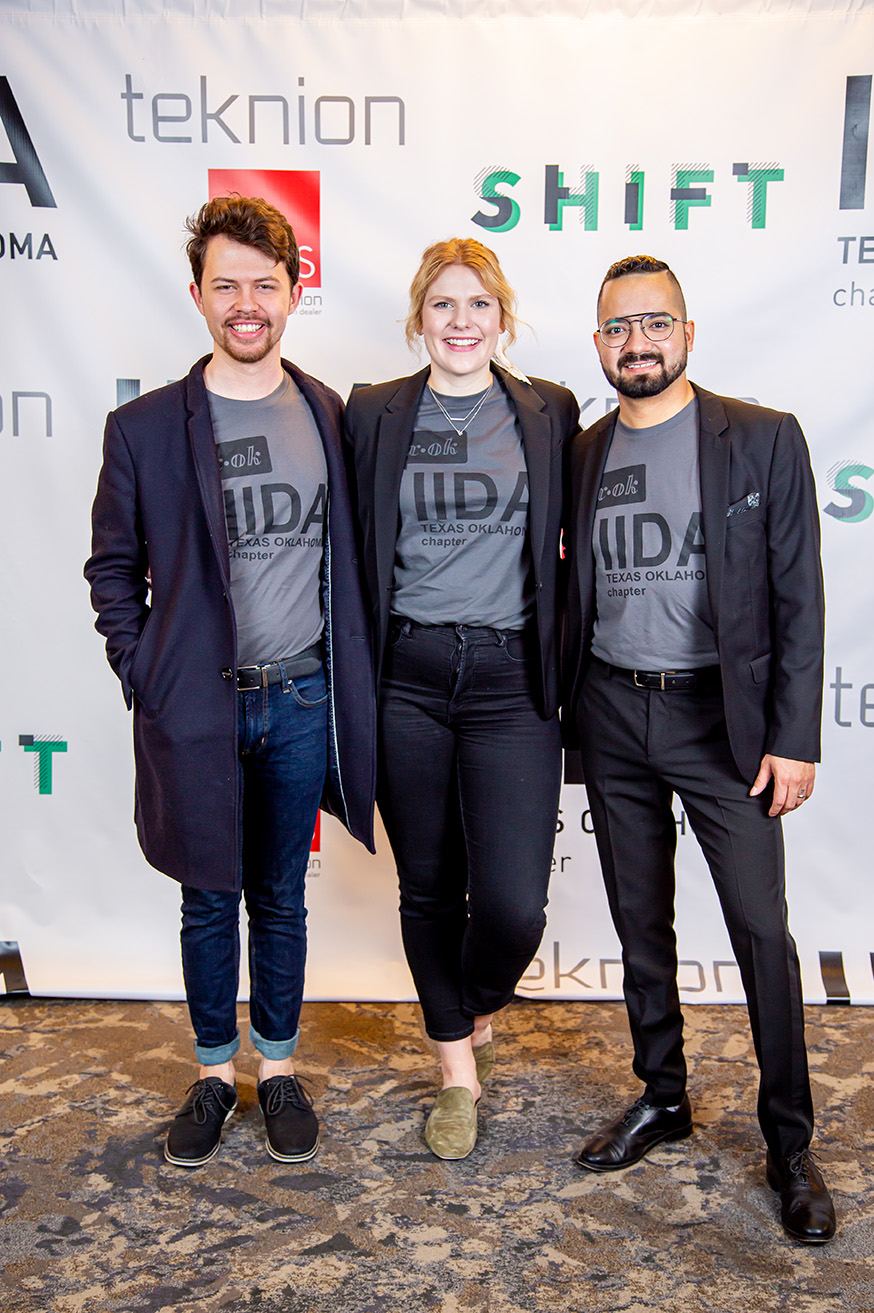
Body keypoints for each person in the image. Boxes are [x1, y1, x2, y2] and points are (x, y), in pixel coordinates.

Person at [85, 195, 375, 1169]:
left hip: (300, 697)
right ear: (201, 293)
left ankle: (279, 1066)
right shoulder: (146, 427)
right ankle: (214, 1073)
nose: (246, 303)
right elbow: (112, 572)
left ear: (293, 289)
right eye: (227, 285)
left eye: (264, 282)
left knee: (281, 894)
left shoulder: (327, 411)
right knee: (208, 897)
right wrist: (150, 676)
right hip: (198, 707)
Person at [563, 254, 835, 1243]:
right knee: (643, 923)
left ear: (687, 332)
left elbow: (800, 597)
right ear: (599, 346)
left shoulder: (760, 439)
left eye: (655, 323)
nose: (638, 343)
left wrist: (795, 738)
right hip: (613, 713)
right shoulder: (583, 452)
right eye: (619, 329)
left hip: (725, 725)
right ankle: (663, 1095)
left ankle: (789, 1139)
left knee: (761, 931)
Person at [344, 238, 580, 1159]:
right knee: (430, 885)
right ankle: (456, 1072)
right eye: (442, 304)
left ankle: (471, 1002)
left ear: (503, 316)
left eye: (478, 303)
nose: (460, 320)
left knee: (515, 904)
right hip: (406, 672)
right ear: (417, 318)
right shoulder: (374, 413)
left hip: (511, 677)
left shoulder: (547, 411)